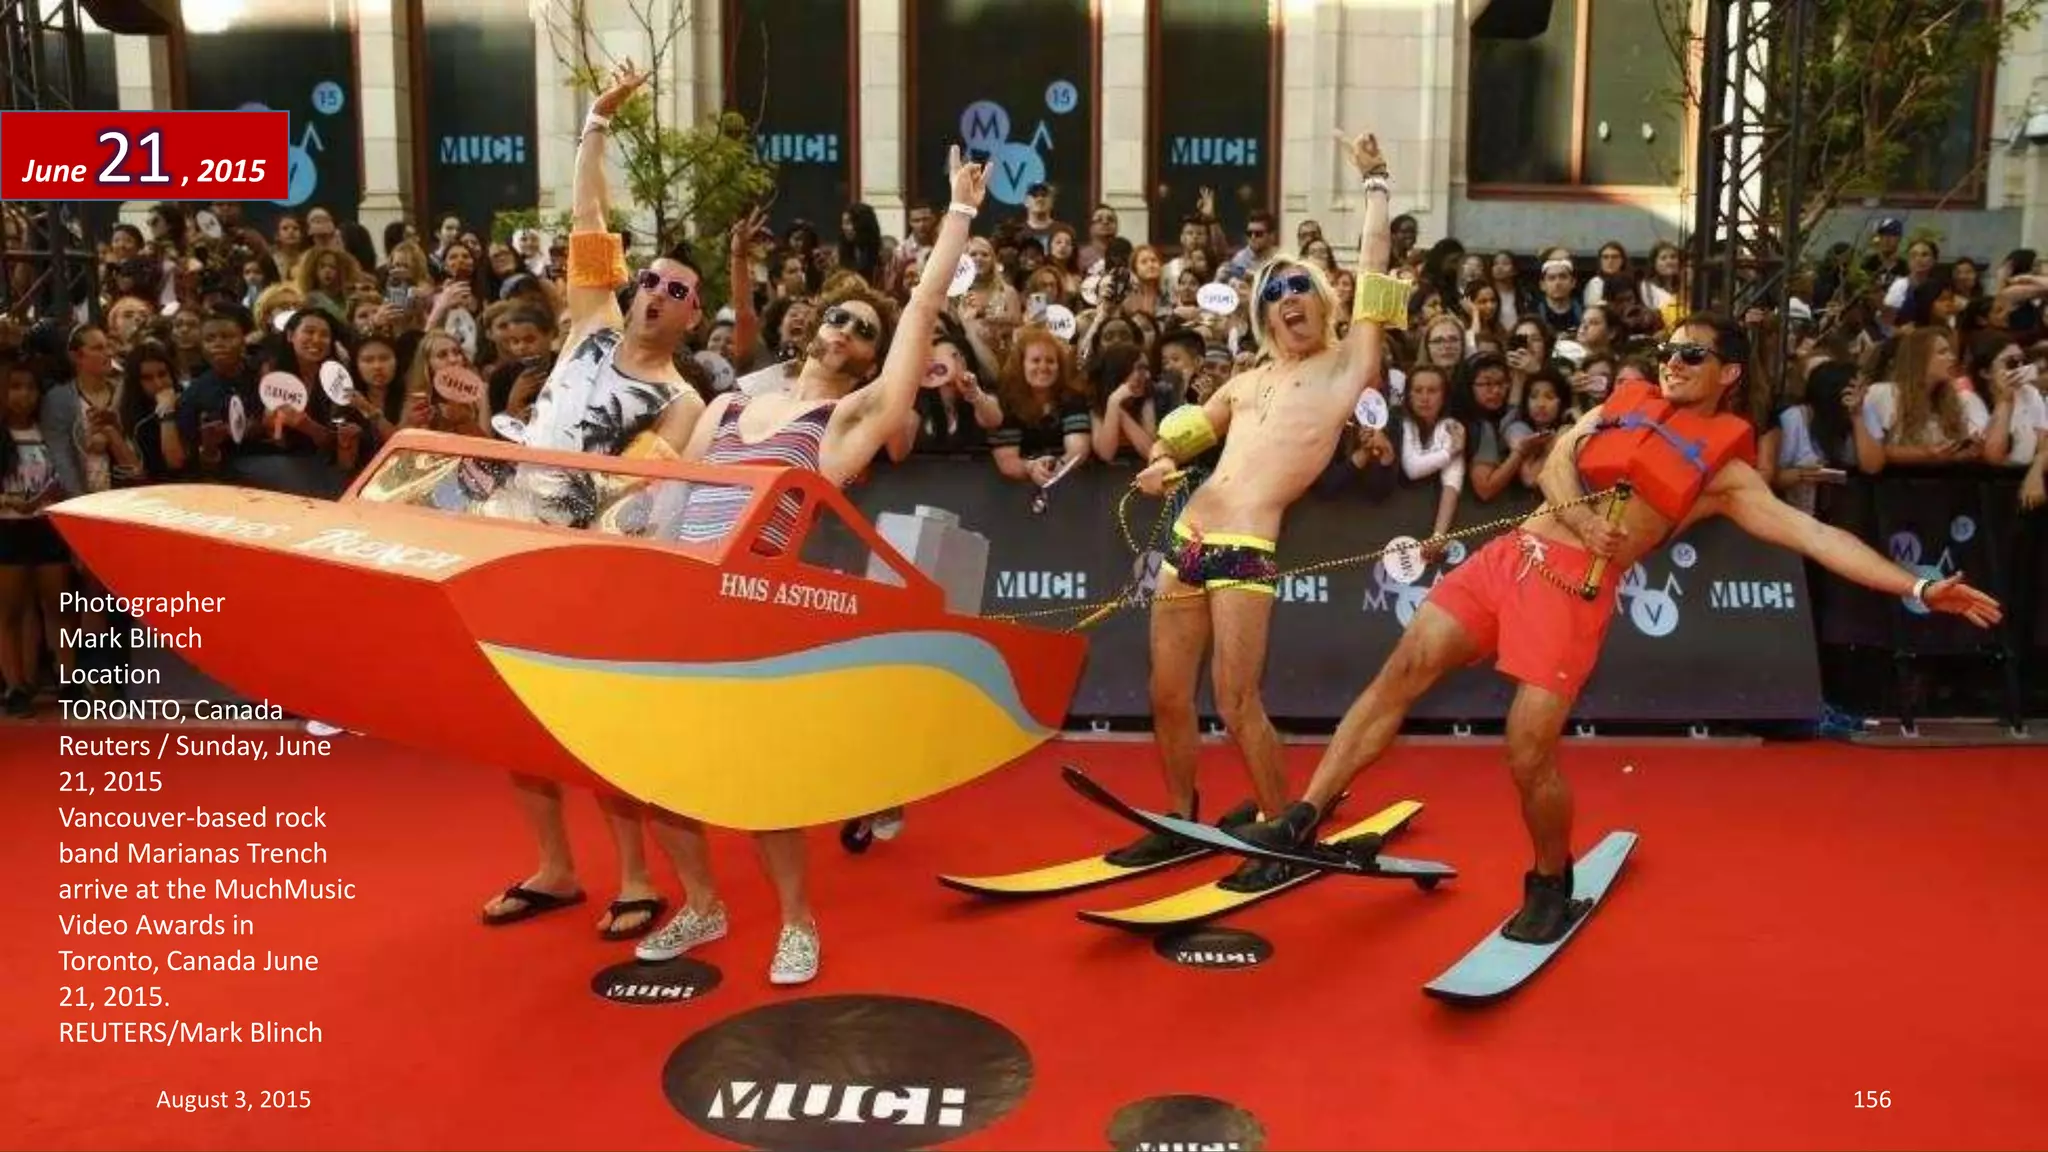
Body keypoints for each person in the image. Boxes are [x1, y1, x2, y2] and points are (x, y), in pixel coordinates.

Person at [1232, 313, 2002, 941]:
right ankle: (1303, 819)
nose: (1673, 362)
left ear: (1727, 372)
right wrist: (1575, 513)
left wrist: (1920, 584)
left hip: (1571, 595)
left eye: (1692, 354)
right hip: (1511, 557)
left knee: (1527, 751)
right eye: (1669, 350)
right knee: (1398, 676)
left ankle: (1548, 880)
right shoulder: (1622, 401)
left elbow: (1820, 540)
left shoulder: (1726, 474)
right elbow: (1559, 458)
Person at [630, 146, 993, 985]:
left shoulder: (845, 423)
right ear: (816, 324)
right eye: (842, 320)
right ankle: (701, 903)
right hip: (673, 593)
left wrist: (959, 215)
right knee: (646, 766)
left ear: (870, 360)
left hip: (756, 603)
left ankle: (796, 922)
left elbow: (923, 308)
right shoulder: (725, 401)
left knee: (759, 781)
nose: (850, 334)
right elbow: (649, 494)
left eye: (866, 332)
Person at [1103, 130, 1407, 890]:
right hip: (1187, 536)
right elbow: (1186, 442)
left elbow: (1376, 272)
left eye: (1297, 287)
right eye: (1272, 293)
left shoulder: (1347, 367)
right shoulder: (1244, 380)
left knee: (1237, 702)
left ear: (1322, 301)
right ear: (1262, 314)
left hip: (1245, 546)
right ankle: (1180, 818)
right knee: (1166, 695)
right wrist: (1162, 466)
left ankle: (1281, 833)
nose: (1286, 299)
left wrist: (1376, 183)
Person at [479, 62, 707, 942]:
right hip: (510, 538)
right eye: (652, 280)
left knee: (599, 727)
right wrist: (596, 124)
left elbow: (643, 495)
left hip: (594, 564)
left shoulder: (682, 402)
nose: (657, 292)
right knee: (513, 721)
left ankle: (638, 878)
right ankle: (555, 868)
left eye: (679, 291)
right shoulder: (589, 315)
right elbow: (587, 218)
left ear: (693, 316)